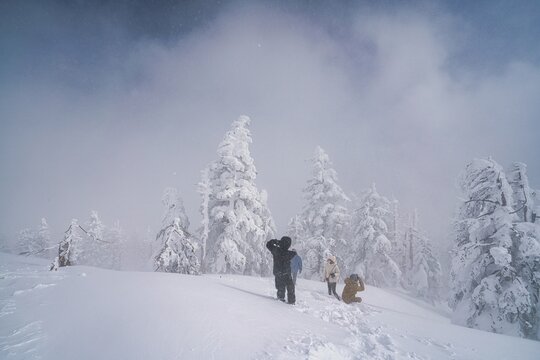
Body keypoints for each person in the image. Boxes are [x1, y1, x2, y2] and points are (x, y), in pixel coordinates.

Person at [266, 236, 297, 304]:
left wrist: (277, 241)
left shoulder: (276, 250)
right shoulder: (289, 253)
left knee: (280, 289)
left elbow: (268, 244)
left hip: (278, 273)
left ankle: (281, 301)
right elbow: (294, 253)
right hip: (287, 274)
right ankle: (291, 302)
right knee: (290, 288)